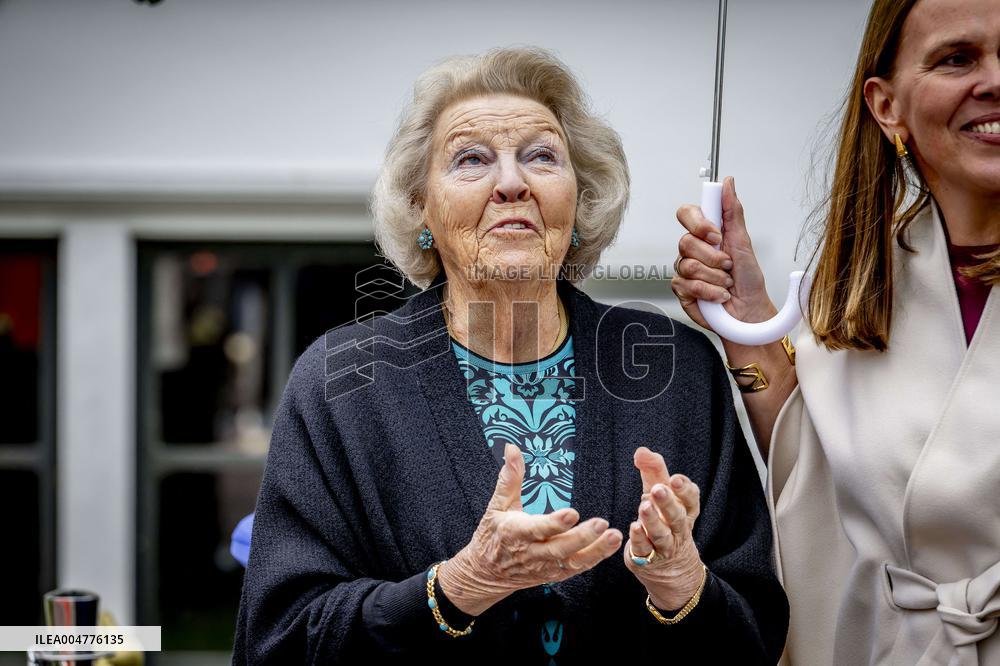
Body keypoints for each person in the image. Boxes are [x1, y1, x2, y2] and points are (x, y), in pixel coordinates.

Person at [231, 46, 788, 664]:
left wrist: (682, 585)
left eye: (542, 156)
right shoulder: (341, 383)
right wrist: (461, 586)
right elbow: (276, 643)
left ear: (579, 200)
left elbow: (755, 633)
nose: (512, 183)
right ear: (422, 209)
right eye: (471, 159)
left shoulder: (671, 368)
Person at [672, 0, 1000, 663]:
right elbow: (820, 486)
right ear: (887, 105)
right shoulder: (861, 295)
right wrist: (748, 327)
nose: (993, 79)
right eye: (957, 58)